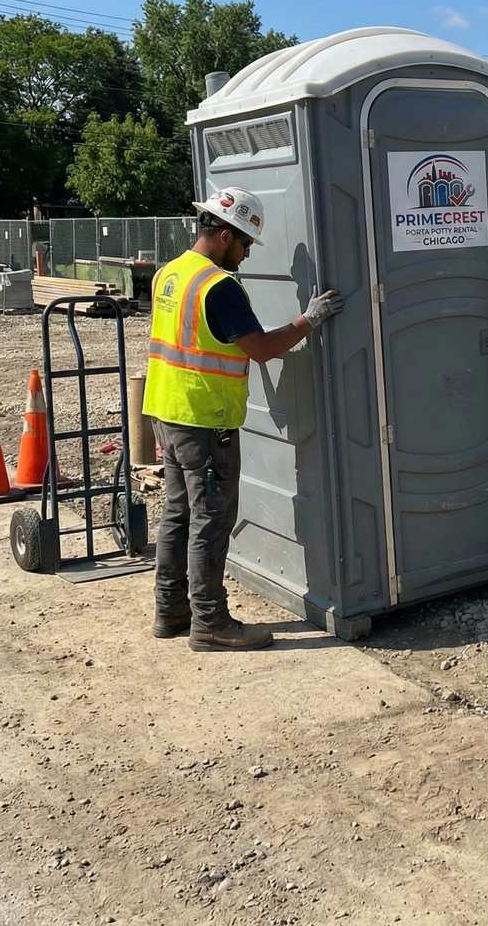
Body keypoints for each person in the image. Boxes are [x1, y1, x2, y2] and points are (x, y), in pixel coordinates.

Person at [142, 186, 342, 651]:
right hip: (205, 420)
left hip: (166, 413)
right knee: (210, 520)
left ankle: (170, 610)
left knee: (177, 514)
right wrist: (309, 320)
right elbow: (263, 350)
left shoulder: (171, 274)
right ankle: (209, 623)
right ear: (227, 235)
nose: (248, 254)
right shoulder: (218, 286)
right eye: (247, 243)